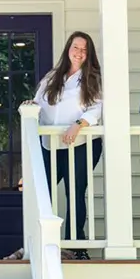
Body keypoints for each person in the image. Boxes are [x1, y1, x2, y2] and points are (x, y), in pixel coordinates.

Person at [32, 32, 103, 258]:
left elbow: (97, 108)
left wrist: (79, 124)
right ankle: (45, 243)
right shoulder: (53, 76)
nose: (79, 52)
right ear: (68, 49)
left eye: (84, 49)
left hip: (81, 143)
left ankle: (76, 246)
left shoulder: (93, 77)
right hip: (50, 144)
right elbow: (39, 103)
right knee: (44, 194)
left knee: (75, 193)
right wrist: (30, 107)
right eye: (76, 47)